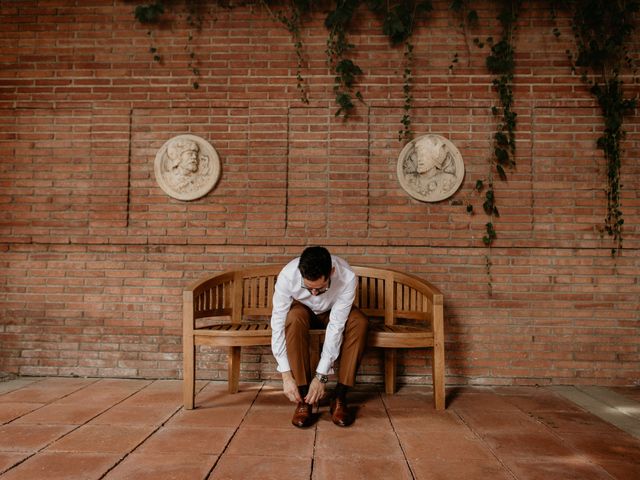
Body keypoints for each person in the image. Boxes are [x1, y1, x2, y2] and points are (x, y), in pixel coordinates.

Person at [270, 246, 368, 428]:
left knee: (359, 322)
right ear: (300, 273)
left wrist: (321, 376)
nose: (314, 294)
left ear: (331, 272)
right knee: (293, 317)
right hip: (303, 311)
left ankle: (339, 395)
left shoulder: (347, 276)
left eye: (320, 288)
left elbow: (336, 326)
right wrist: (285, 374)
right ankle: (304, 396)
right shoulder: (287, 275)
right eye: (308, 288)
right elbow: (277, 323)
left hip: (334, 312)